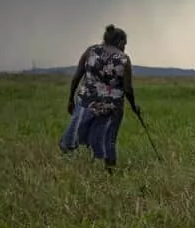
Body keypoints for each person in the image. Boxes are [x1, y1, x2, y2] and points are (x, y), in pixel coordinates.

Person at [59, 24, 140, 173]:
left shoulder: (90, 51)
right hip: (112, 107)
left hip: (86, 102)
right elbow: (128, 88)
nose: (125, 47)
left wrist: (70, 99)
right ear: (120, 41)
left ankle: (76, 162)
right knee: (109, 139)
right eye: (125, 44)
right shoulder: (123, 59)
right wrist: (134, 106)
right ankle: (109, 171)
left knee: (78, 132)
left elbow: (77, 76)